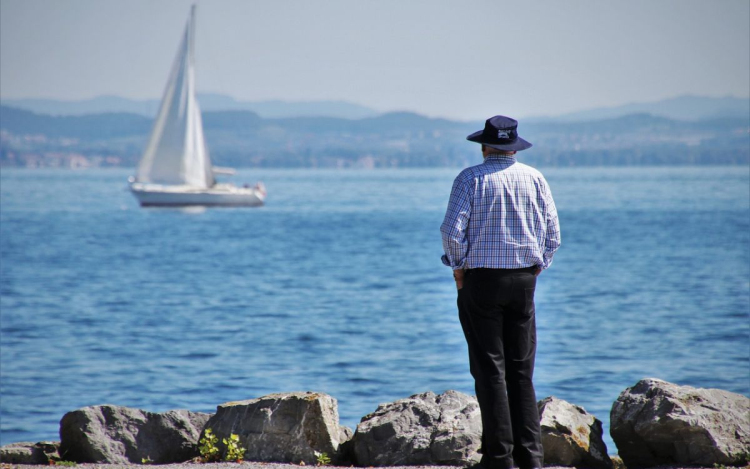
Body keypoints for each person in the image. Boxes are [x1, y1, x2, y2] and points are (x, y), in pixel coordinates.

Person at [440, 115, 561, 469]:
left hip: (481, 281)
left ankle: (500, 459)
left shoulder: (469, 178)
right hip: (524, 281)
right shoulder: (535, 178)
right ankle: (531, 458)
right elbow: (553, 235)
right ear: (514, 147)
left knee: (490, 371)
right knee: (521, 373)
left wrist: (459, 269)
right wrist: (537, 267)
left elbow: (451, 231)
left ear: (485, 145)